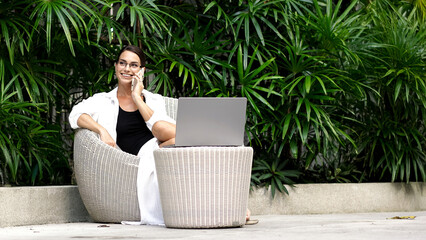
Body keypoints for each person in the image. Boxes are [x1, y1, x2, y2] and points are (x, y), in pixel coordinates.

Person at [69, 45, 253, 225]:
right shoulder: (103, 100)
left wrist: (136, 97)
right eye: (122, 63)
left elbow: (161, 128)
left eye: (133, 65)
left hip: (161, 145)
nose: (127, 69)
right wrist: (102, 131)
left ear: (141, 71)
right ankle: (215, 140)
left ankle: (204, 144)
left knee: (172, 134)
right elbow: (76, 115)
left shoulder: (152, 99)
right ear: (116, 66)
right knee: (189, 140)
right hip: (143, 155)